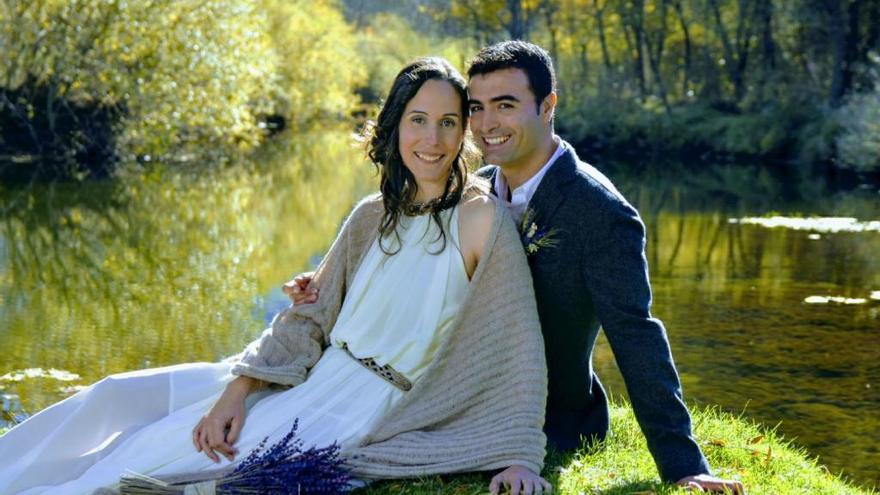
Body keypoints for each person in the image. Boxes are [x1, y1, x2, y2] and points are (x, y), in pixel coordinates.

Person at [0, 57, 552, 495]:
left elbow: (515, 344)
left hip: (360, 407)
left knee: (143, 466)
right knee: (115, 395)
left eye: (448, 123)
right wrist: (239, 389)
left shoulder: (482, 221)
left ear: (464, 135)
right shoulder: (370, 215)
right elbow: (308, 317)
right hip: (303, 373)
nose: (431, 139)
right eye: (418, 120)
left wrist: (521, 456)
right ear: (394, 126)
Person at [291, 42, 746, 495]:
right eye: (477, 108)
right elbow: (412, 263)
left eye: (505, 106)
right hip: (439, 388)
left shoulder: (600, 213)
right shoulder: (476, 188)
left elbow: (636, 333)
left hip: (542, 411)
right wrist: (333, 284)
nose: (487, 125)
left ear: (548, 106)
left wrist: (683, 464)